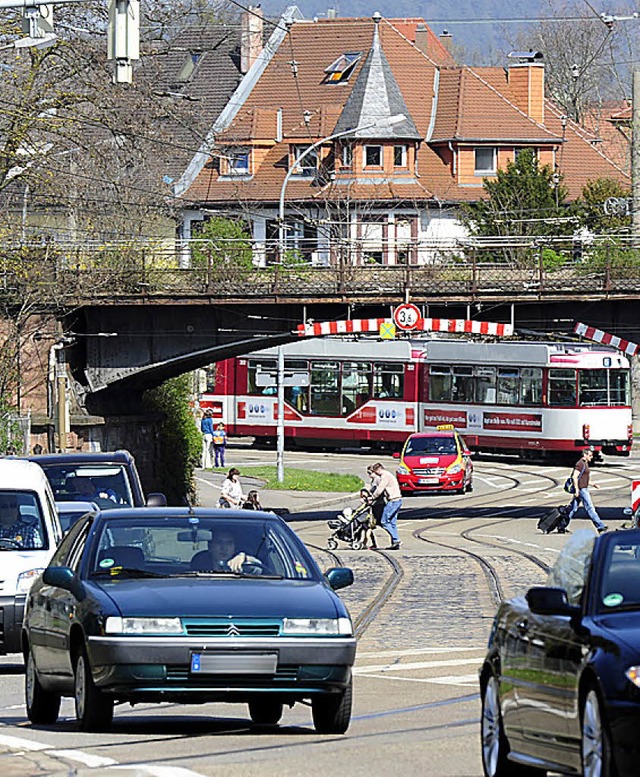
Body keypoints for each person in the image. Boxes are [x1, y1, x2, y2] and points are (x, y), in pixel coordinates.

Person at [566, 446, 608, 534]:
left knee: (572, 509)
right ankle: (600, 526)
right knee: (590, 508)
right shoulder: (580, 464)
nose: (591, 457)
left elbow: (584, 479)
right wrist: (577, 490)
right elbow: (575, 477)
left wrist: (593, 484)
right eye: (590, 455)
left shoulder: (585, 463)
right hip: (582, 490)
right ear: (585, 455)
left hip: (583, 488)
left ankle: (562, 526)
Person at [191, 529, 259, 572]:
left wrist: (245, 558)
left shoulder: (243, 565)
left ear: (234, 547)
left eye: (229, 543)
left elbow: (262, 570)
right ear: (210, 546)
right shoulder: (200, 565)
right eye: (219, 542)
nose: (224, 548)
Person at [369, 462, 403, 550]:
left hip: (393, 501)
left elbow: (380, 489)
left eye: (376, 472)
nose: (376, 474)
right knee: (392, 522)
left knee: (384, 521)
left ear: (379, 469)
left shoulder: (385, 476)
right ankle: (395, 542)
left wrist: (372, 498)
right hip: (398, 500)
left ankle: (396, 539)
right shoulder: (388, 474)